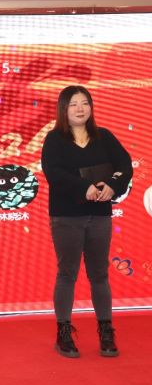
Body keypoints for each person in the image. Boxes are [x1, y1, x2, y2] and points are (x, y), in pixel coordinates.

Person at [41, 85, 132, 358]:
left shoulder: (104, 136)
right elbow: (53, 173)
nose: (80, 109)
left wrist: (113, 186)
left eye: (84, 103)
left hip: (100, 215)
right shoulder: (54, 139)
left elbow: (125, 165)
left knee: (99, 274)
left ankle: (106, 331)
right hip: (66, 216)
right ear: (63, 109)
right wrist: (85, 188)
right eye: (73, 104)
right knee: (67, 273)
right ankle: (64, 333)